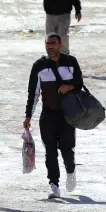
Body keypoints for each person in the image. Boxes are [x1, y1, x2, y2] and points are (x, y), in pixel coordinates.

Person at [23, 33, 83, 199]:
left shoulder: (71, 62)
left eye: (53, 44)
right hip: (48, 114)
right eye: (47, 44)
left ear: (60, 44)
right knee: (50, 151)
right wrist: (28, 116)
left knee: (66, 149)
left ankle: (71, 172)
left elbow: (80, 83)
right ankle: (54, 184)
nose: (50, 47)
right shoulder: (39, 65)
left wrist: (69, 86)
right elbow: (33, 93)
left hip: (68, 115)